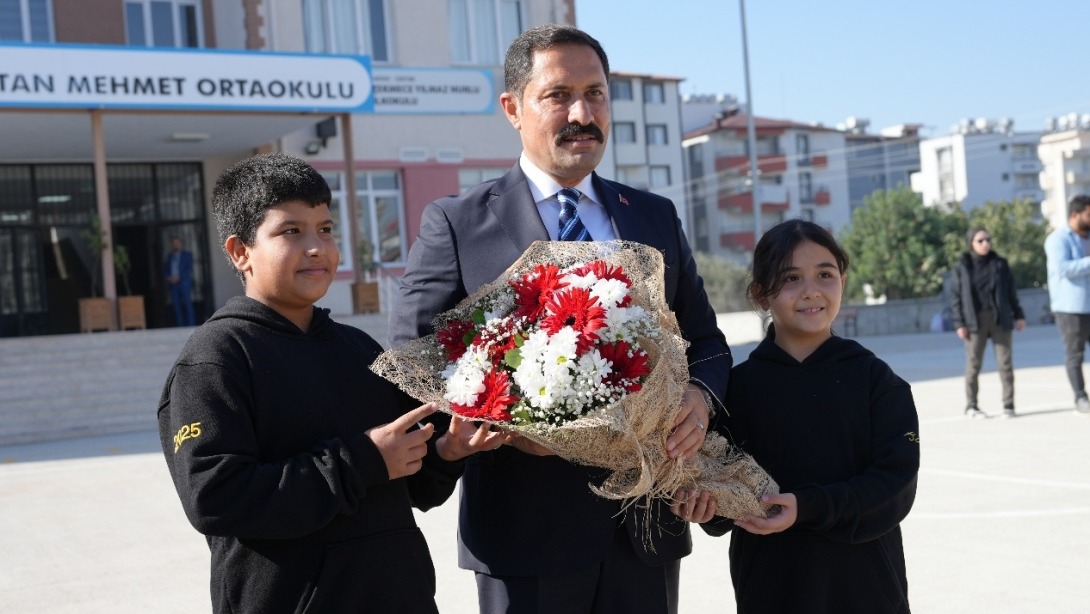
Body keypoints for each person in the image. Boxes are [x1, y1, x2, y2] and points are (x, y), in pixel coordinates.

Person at [389, 24, 731, 614]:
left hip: (644, 531)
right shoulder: (457, 223)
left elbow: (705, 340)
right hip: (525, 536)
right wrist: (510, 422)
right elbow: (414, 354)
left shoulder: (651, 216)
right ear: (512, 108)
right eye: (558, 95)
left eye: (596, 93)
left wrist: (699, 399)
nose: (582, 112)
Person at [157, 153, 508, 614]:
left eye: (325, 229)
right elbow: (215, 499)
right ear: (240, 252)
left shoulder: (359, 350)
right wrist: (361, 461)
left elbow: (409, 485)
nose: (316, 247)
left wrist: (446, 452)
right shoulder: (215, 359)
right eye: (290, 232)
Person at [679, 220, 920, 613]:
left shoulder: (877, 380)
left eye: (825, 274)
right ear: (759, 294)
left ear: (842, 280)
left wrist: (807, 507)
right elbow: (718, 488)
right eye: (790, 278)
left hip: (866, 584)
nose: (811, 291)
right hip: (773, 584)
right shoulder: (733, 391)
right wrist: (704, 506)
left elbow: (895, 485)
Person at [949, 227, 1026, 418]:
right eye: (980, 240)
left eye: (988, 239)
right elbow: (955, 297)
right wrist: (959, 323)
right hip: (974, 321)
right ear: (971, 243)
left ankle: (1008, 405)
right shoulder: (963, 266)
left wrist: (1019, 314)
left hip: (1000, 318)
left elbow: (1011, 292)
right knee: (973, 365)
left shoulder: (1000, 263)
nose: (986, 244)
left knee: (1005, 363)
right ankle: (972, 406)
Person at [1045, 194, 1090, 415]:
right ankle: (1080, 397)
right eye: (1089, 214)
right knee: (1075, 354)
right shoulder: (1057, 239)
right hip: (1070, 307)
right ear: (1075, 214)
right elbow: (1063, 268)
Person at [163, 235, 196, 326]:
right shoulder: (169, 257)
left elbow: (189, 269)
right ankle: (180, 325)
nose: (176, 245)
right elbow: (166, 269)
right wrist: (169, 277)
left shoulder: (187, 255)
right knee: (176, 306)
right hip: (173, 285)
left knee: (187, 305)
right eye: (174, 244)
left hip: (184, 283)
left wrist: (179, 277)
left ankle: (191, 325)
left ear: (181, 244)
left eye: (177, 243)